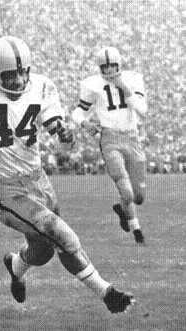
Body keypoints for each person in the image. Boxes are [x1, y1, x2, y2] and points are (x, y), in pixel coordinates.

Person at [0, 36, 134, 314]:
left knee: (42, 252)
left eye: (23, 72)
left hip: (39, 180)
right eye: (10, 74)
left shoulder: (41, 86)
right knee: (62, 235)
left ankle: (16, 266)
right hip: (7, 190)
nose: (18, 80)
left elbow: (51, 121)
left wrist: (61, 131)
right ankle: (107, 293)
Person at [71, 46, 148, 244]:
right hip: (110, 139)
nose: (109, 71)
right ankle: (136, 230)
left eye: (113, 66)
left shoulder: (132, 79)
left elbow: (142, 110)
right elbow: (77, 113)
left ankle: (122, 210)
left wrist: (123, 87)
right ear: (100, 68)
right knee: (127, 192)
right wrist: (85, 123)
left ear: (119, 65)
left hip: (132, 138)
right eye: (105, 67)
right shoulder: (93, 84)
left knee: (139, 196)